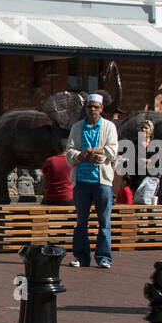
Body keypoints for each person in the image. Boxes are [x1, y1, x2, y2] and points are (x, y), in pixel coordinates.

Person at [65, 92, 119, 269]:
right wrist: (82, 155)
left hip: (102, 181)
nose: (93, 110)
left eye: (96, 107)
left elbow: (112, 150)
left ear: (102, 109)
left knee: (104, 221)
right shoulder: (77, 127)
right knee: (81, 221)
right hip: (82, 180)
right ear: (86, 108)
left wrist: (94, 151)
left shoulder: (109, 127)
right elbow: (70, 152)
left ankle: (104, 257)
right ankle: (81, 257)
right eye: (90, 106)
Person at [41, 138, 73, 205]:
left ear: (57, 149)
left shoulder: (49, 161)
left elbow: (44, 181)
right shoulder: (72, 161)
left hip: (50, 197)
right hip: (68, 197)